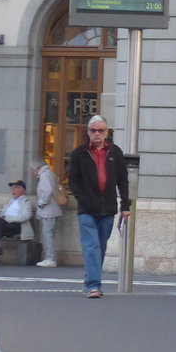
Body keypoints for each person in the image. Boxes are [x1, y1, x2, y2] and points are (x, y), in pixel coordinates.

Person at [67, 115, 130, 298]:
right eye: (93, 130)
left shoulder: (115, 152)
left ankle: (90, 281)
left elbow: (123, 180)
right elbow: (73, 181)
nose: (97, 134)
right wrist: (83, 199)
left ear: (106, 132)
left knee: (100, 247)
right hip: (87, 209)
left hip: (108, 208)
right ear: (88, 132)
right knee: (92, 246)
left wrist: (125, 205)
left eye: (100, 130)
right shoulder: (79, 153)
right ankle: (93, 286)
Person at [0, 179, 34, 265]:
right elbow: (3, 215)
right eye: (12, 188)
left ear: (22, 190)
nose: (13, 190)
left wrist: (7, 218)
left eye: (16, 188)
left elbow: (26, 216)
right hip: (5, 224)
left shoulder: (26, 202)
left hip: (16, 225)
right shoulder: (10, 202)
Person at [31, 158, 63, 267]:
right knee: (48, 234)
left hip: (48, 210)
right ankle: (49, 257)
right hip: (52, 210)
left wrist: (41, 203)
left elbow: (47, 191)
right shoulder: (49, 173)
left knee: (47, 234)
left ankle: (50, 258)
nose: (33, 171)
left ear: (36, 168)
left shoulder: (44, 175)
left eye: (33, 169)